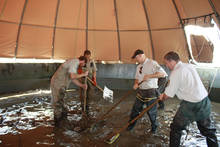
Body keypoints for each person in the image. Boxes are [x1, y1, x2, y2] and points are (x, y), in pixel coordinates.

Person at [159, 51, 218, 147]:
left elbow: (169, 94)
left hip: (190, 105)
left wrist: (162, 97)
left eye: (166, 63)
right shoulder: (189, 66)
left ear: (171, 61)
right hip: (204, 101)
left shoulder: (176, 72)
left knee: (176, 128)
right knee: (208, 130)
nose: (167, 66)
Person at [127, 49, 167, 134]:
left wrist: (150, 76)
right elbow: (137, 78)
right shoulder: (138, 66)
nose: (136, 59)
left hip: (151, 91)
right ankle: (130, 125)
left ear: (141, 55)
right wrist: (136, 84)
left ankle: (154, 127)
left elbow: (163, 74)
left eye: (136, 57)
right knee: (135, 110)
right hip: (141, 91)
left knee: (151, 112)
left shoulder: (152, 63)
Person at [50, 56, 88, 126]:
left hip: (61, 85)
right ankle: (58, 125)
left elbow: (73, 79)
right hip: (57, 84)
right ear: (83, 61)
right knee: (57, 104)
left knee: (62, 104)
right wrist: (83, 74)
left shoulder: (73, 64)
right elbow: (72, 76)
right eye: (84, 64)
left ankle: (63, 120)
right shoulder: (75, 61)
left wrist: (82, 85)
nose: (83, 66)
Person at [78, 50, 98, 114]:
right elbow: (77, 69)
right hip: (82, 78)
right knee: (82, 93)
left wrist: (94, 79)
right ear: (84, 56)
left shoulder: (92, 62)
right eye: (86, 57)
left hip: (90, 78)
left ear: (90, 56)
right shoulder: (81, 61)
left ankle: (87, 106)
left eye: (88, 57)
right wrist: (79, 71)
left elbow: (94, 71)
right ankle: (82, 106)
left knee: (89, 93)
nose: (87, 58)